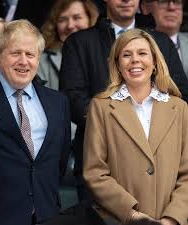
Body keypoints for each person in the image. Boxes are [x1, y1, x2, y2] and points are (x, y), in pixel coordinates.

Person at [59, 0, 188, 202]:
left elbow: (179, 94)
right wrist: (124, 132)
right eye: (126, 55)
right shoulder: (80, 42)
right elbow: (72, 99)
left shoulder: (161, 41)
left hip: (161, 165)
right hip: (103, 163)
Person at [0, 19, 71, 225]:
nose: (23, 61)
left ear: (38, 59)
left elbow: (58, 162)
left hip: (45, 216)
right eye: (15, 53)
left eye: (30, 54)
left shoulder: (58, 102)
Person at [83, 28, 188, 225]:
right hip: (120, 220)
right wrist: (131, 215)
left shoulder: (180, 108)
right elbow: (95, 172)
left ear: (155, 62)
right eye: (126, 55)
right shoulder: (101, 107)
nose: (135, 60)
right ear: (117, 64)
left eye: (142, 53)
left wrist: (171, 219)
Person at [38, 0, 98, 90]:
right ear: (55, 26)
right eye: (62, 20)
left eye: (77, 17)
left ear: (91, 20)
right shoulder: (41, 61)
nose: (70, 25)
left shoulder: (108, 53)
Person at [140, 0, 188, 78]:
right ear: (148, 7)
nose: (171, 7)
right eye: (163, 1)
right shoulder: (139, 42)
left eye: (177, 2)